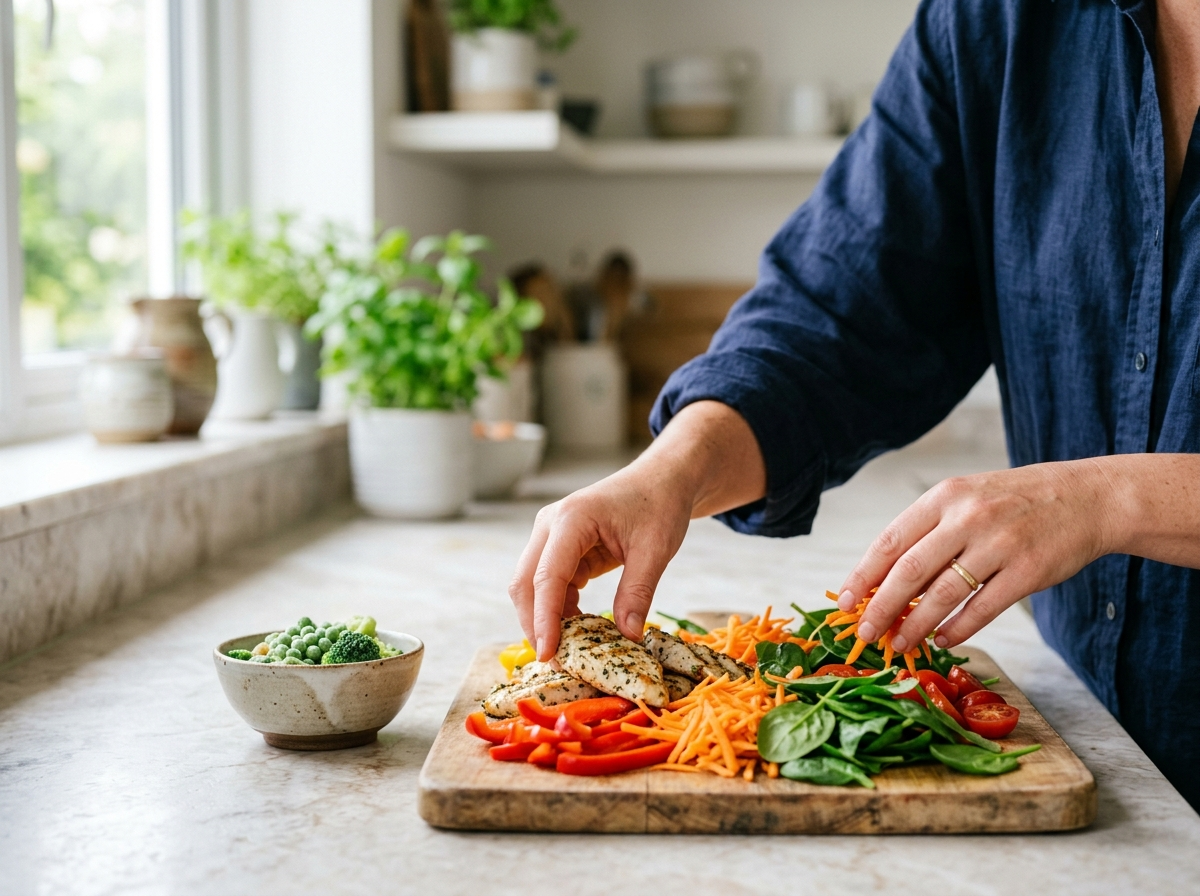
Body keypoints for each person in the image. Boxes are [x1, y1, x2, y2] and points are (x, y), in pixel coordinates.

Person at [509, 0, 1200, 810]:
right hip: (1085, 741)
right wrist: (676, 466)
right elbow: (842, 311)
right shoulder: (996, 20)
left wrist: (1110, 499)